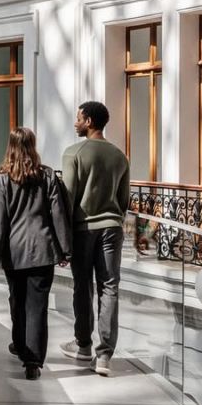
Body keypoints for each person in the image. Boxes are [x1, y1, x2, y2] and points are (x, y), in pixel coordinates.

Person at [0, 127, 71, 380]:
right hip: (43, 252)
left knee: (17, 301)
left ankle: (21, 346)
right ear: (33, 146)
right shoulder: (47, 177)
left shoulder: (1, 181)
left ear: (10, 146)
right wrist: (65, 249)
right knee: (38, 307)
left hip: (15, 252)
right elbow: (58, 215)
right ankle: (33, 361)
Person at [59, 101, 130, 377]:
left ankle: (84, 344)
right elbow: (123, 200)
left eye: (78, 118)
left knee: (82, 286)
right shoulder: (119, 156)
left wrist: (62, 238)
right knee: (110, 287)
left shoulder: (74, 153)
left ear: (88, 121)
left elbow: (67, 197)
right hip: (112, 227)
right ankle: (105, 356)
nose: (75, 123)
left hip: (82, 229)